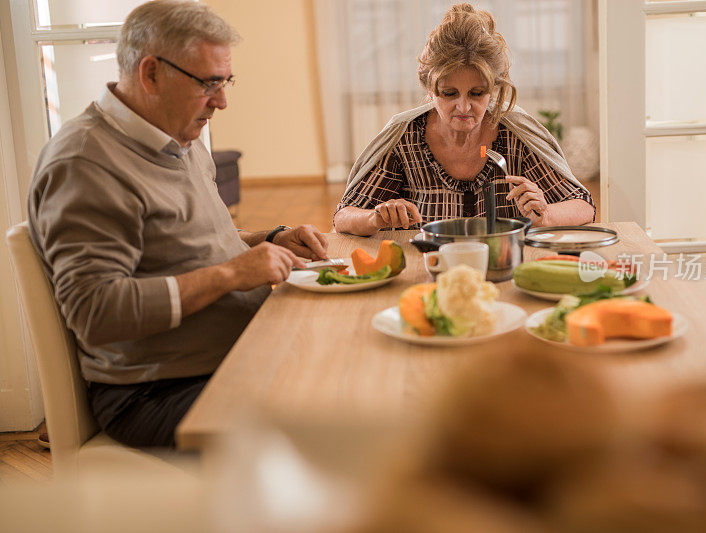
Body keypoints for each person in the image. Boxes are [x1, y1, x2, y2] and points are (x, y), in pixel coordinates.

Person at [26, 0, 328, 448]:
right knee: (342, 424)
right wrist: (230, 275)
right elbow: (95, 311)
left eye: (226, 82)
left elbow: (196, 242)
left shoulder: (178, 136)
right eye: (209, 83)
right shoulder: (85, 163)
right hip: (156, 391)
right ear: (150, 74)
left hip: (228, 358)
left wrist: (270, 238)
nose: (222, 101)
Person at [334, 3, 595, 236]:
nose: (464, 106)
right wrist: (375, 217)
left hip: (503, 270)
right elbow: (343, 217)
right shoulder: (405, 138)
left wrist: (546, 215)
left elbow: (583, 205)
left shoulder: (516, 137)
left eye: (477, 93)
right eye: (449, 93)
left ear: (493, 88)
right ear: (429, 89)